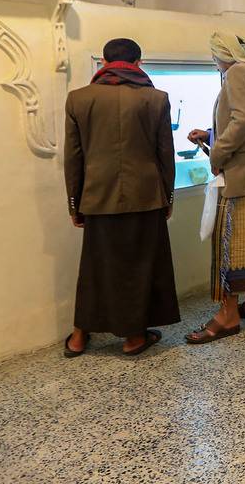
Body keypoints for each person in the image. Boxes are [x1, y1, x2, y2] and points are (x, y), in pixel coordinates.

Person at [63, 38, 180, 357]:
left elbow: (73, 158)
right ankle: (133, 338)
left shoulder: (78, 99)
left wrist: (75, 203)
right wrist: (167, 196)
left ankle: (78, 337)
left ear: (103, 62)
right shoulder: (155, 99)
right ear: (138, 63)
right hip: (145, 196)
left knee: (94, 267)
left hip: (97, 197)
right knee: (140, 266)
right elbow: (165, 154)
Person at [185, 32, 245, 344]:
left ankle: (227, 316)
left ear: (219, 54)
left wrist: (217, 152)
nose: (214, 64)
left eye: (213, 57)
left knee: (229, 243)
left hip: (241, 176)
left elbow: (244, 119)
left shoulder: (237, 72)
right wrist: (212, 133)